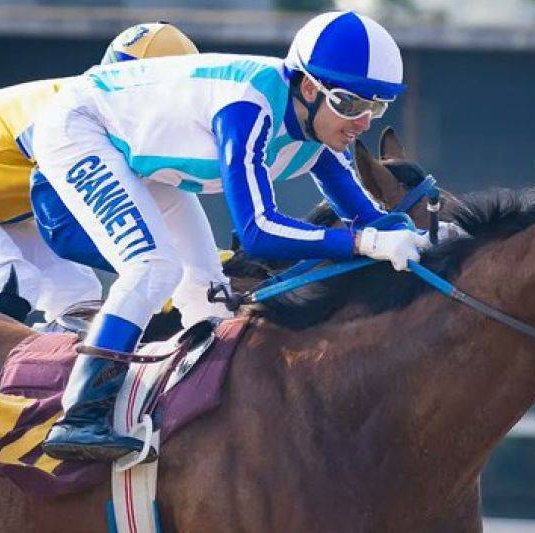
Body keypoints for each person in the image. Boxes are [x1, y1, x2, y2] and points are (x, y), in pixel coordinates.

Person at [36, 11, 429, 462]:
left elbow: (369, 218)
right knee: (154, 267)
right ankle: (80, 415)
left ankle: (187, 426)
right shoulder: (247, 109)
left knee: (210, 297)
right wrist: (364, 244)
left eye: (375, 107)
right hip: (82, 128)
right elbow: (257, 231)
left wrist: (426, 237)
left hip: (142, 154)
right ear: (308, 88)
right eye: (350, 105)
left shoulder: (319, 129)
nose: (362, 122)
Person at [0, 22, 199, 323]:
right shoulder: (66, 113)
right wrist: (156, 270)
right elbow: (61, 225)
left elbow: (162, 210)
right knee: (11, 285)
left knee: (79, 301)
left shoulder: (117, 129)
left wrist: (200, 265)